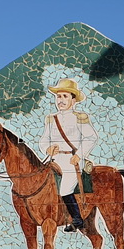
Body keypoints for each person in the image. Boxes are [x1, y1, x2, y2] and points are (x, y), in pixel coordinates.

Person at [39, 79, 98, 232]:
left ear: (73, 100)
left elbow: (91, 137)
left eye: (65, 96)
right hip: (55, 161)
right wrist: (48, 148)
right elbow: (43, 140)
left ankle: (77, 219)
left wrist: (79, 155)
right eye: (59, 96)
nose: (61, 100)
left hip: (72, 161)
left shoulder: (79, 118)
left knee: (65, 189)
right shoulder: (51, 119)